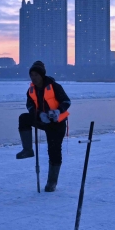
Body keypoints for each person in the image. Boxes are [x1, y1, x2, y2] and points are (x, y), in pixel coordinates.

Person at [16, 60, 70, 192]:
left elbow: (66, 101)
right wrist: (39, 115)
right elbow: (30, 106)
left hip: (57, 123)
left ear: (42, 75)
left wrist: (58, 111)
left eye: (36, 75)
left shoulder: (55, 86)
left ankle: (52, 182)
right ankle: (28, 150)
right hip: (43, 120)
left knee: (54, 150)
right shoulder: (31, 90)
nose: (33, 78)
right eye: (31, 75)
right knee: (24, 118)